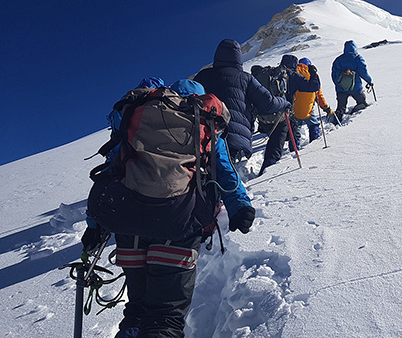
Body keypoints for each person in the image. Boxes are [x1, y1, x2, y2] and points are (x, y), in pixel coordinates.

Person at [82, 79, 255, 338]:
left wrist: (94, 226)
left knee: (137, 310)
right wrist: (240, 206)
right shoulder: (205, 123)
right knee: (165, 317)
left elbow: (111, 170)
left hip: (130, 228)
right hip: (179, 225)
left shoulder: (141, 118)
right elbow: (226, 171)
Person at [193, 39, 290, 162]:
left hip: (204, 134)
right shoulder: (245, 78)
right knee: (226, 171)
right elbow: (267, 103)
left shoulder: (204, 75)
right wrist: (284, 103)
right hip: (233, 137)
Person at [259, 54, 321, 175]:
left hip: (266, 116)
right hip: (283, 115)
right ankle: (268, 172)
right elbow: (314, 86)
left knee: (275, 142)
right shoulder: (293, 76)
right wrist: (313, 73)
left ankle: (267, 167)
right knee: (284, 138)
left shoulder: (272, 74)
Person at [290, 57, 334, 148]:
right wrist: (326, 108)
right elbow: (319, 96)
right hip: (308, 109)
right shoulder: (313, 75)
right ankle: (314, 145)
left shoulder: (293, 74)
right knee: (314, 125)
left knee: (295, 129)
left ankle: (294, 148)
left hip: (294, 109)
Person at [331, 40, 373, 123]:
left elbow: (333, 75)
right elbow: (363, 72)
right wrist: (369, 81)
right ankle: (354, 112)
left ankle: (336, 121)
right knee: (362, 103)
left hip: (341, 89)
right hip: (356, 88)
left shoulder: (338, 60)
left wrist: (339, 84)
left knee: (341, 107)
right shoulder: (358, 58)